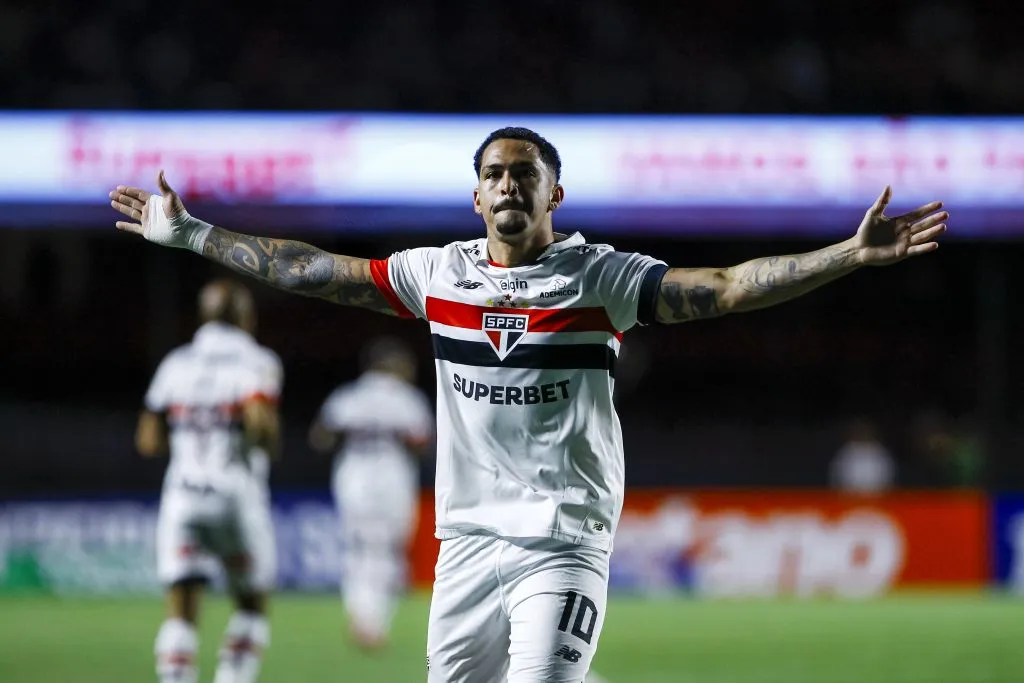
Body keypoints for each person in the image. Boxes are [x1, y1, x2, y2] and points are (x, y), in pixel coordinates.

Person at [112, 126, 947, 683]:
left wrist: (844, 253)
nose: (508, 183)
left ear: (555, 194)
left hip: (562, 538)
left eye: (525, 173)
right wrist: (192, 234)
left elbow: (724, 289)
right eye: (493, 174)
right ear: (476, 197)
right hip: (467, 544)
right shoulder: (437, 276)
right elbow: (307, 268)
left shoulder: (601, 278)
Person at [136, 279, 282, 683]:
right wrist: (263, 441)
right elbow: (259, 424)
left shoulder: (175, 363)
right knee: (251, 604)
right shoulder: (257, 362)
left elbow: (147, 439)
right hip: (236, 495)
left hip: (183, 495)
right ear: (243, 316)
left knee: (181, 610)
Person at [308, 336, 434, 650]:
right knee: (387, 550)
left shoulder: (349, 395)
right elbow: (423, 442)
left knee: (357, 549)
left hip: (353, 478)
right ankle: (372, 621)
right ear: (394, 366)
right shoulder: (407, 398)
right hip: (392, 479)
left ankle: (361, 615)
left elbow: (320, 437)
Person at [829, 417, 895, 494]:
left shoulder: (881, 453)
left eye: (864, 431)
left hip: (876, 499)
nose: (862, 433)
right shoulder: (845, 453)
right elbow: (836, 481)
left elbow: (889, 482)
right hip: (850, 499)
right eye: (859, 431)